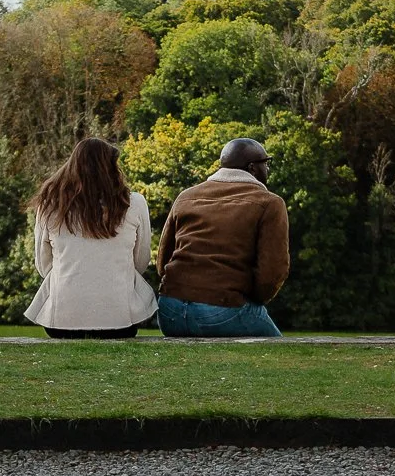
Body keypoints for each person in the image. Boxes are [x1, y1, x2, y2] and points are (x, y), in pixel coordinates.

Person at [155, 137, 289, 338]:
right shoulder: (269, 203)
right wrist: (251, 299)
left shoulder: (186, 196)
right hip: (222, 309)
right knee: (280, 350)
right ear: (252, 168)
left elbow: (162, 261)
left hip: (169, 311)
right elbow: (273, 270)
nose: (267, 169)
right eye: (266, 163)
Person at [24, 137, 157, 338]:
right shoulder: (135, 203)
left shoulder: (50, 206)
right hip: (120, 323)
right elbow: (141, 261)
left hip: (60, 323)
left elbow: (44, 266)